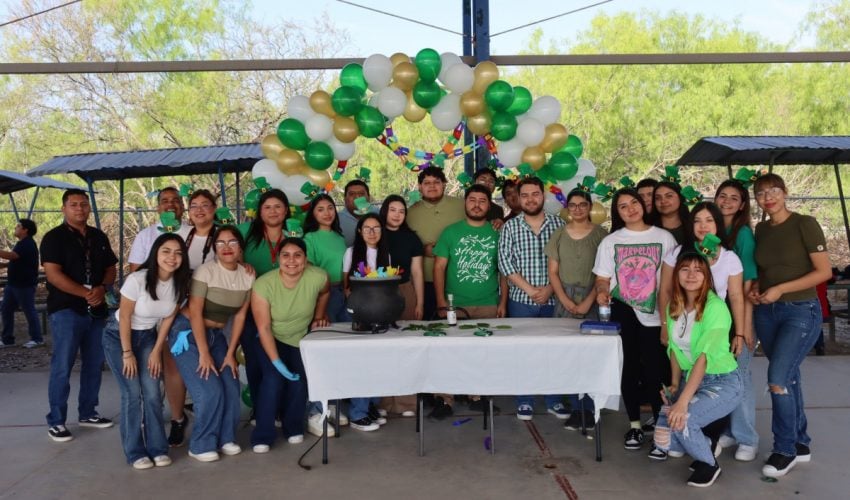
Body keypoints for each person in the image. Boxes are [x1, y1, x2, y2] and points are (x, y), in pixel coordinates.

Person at [749, 173, 831, 478]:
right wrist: (757, 287)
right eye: (761, 193)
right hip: (766, 312)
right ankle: (800, 442)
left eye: (773, 191)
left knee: (778, 379)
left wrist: (781, 289)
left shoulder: (804, 224)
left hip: (800, 311)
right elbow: (765, 271)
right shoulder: (761, 229)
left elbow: (823, 271)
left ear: (785, 192)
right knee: (789, 377)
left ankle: (784, 450)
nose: (768, 197)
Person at [656, 202, 746, 460]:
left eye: (709, 220)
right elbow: (666, 291)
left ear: (718, 224)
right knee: (669, 433)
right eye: (697, 220)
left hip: (715, 324)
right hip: (683, 320)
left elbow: (736, 296)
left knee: (711, 385)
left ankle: (709, 440)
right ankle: (692, 437)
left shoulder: (729, 257)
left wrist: (740, 333)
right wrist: (665, 326)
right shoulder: (677, 253)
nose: (703, 226)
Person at [593, 188, 677, 450]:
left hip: (657, 314)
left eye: (634, 202)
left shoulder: (664, 238)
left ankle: (661, 427)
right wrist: (602, 291)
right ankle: (635, 426)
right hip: (623, 311)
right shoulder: (611, 241)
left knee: (657, 371)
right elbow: (602, 278)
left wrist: (668, 319)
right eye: (623, 206)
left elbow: (671, 281)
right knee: (628, 368)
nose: (630, 209)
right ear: (617, 213)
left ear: (642, 204)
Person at [653, 251, 743, 488]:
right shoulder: (674, 306)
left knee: (683, 420)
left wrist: (682, 402)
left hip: (722, 381)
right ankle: (704, 446)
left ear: (707, 277)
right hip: (690, 378)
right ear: (677, 274)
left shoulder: (715, 308)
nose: (691, 275)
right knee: (663, 438)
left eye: (698, 270)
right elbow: (674, 348)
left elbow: (703, 358)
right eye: (685, 269)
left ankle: (709, 464)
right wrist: (675, 384)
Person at [102, 233, 190, 469]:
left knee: (152, 393)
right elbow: (125, 317)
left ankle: (157, 448)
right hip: (119, 337)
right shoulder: (137, 279)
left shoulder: (180, 284)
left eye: (178, 253)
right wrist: (127, 353)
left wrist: (156, 351)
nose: (172, 257)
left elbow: (168, 319)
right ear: (155, 253)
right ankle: (134, 452)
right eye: (166, 251)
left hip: (149, 336)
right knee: (132, 394)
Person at [167, 225, 254, 462]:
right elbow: (195, 312)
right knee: (208, 390)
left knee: (231, 383)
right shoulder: (205, 271)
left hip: (217, 335)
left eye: (232, 242)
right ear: (214, 248)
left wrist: (230, 353)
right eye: (220, 243)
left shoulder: (247, 275)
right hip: (187, 333)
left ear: (240, 247)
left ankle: (226, 438)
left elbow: (240, 316)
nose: (226, 247)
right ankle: (201, 444)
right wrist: (204, 354)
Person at [41, 189, 118, 442]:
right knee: (62, 365)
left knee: (94, 363)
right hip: (66, 309)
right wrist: (86, 293)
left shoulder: (98, 236)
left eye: (84, 204)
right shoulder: (53, 238)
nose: (79, 209)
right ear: (63, 208)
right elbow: (53, 275)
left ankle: (88, 412)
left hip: (97, 310)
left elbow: (111, 268)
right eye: (73, 204)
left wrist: (102, 288)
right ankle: (56, 421)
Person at [432, 184, 508, 418]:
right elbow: (439, 267)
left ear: (489, 205)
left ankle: (477, 396)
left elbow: (503, 271)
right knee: (448, 353)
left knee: (483, 354)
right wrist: (441, 301)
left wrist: (503, 302)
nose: (477, 205)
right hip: (455, 305)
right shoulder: (450, 232)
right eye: (472, 200)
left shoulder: (498, 233)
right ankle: (445, 399)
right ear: (465, 203)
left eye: (482, 201)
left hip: (488, 303)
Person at [251, 238, 330, 452]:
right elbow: (264, 328)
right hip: (269, 338)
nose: (291, 260)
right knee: (273, 379)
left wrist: (319, 315)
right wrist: (277, 363)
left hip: (299, 338)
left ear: (305, 259)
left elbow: (325, 292)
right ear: (278, 258)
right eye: (285, 255)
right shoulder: (263, 284)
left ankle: (293, 427)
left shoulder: (318, 276)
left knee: (300, 380)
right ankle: (262, 435)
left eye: (297, 255)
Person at [498, 177, 567, 421]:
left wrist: (549, 289)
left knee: (553, 352)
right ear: (518, 198)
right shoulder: (510, 227)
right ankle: (524, 400)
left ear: (543, 196)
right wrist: (529, 290)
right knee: (523, 352)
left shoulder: (559, 225)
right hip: (521, 301)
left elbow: (566, 262)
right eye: (525, 195)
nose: (530, 199)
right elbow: (505, 262)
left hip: (553, 300)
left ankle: (553, 400)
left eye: (535, 194)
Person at [545, 189, 608, 430]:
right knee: (568, 355)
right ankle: (575, 408)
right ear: (567, 208)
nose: (578, 209)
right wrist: (565, 300)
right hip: (564, 299)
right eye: (573, 205)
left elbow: (603, 274)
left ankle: (590, 409)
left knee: (590, 356)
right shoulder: (559, 234)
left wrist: (588, 302)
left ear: (590, 207)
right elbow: (553, 272)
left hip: (593, 297)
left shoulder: (601, 235)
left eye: (583, 204)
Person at [166, 188, 219, 446]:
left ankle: (212, 422)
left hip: (213, 312)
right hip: (178, 309)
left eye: (205, 205)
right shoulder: (179, 236)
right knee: (173, 367)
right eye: (194, 205)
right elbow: (166, 275)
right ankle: (177, 419)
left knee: (209, 365)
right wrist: (181, 307)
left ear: (214, 209)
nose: (199, 210)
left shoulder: (223, 237)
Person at [712, 178, 761, 462]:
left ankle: (747, 438)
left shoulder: (742, 234)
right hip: (713, 316)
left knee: (739, 375)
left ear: (742, 205)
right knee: (723, 376)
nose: (727, 201)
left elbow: (747, 286)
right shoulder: (712, 229)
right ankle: (730, 430)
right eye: (722, 195)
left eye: (734, 198)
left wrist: (745, 326)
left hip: (736, 314)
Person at [237, 188, 290, 430]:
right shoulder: (244, 232)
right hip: (251, 308)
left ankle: (282, 409)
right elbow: (226, 252)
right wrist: (240, 263)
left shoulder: (295, 232)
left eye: (278, 206)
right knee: (256, 361)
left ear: (286, 210)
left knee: (284, 358)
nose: (273, 211)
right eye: (267, 207)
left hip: (286, 308)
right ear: (259, 211)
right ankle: (261, 410)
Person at [342, 214, 391, 431]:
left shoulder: (385, 254)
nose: (372, 232)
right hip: (359, 314)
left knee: (378, 363)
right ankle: (357, 413)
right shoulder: (351, 252)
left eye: (376, 228)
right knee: (361, 363)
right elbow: (346, 287)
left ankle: (371, 405)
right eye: (367, 228)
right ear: (359, 231)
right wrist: (360, 312)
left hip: (379, 312)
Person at [378, 194, 424, 418]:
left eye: (401, 211)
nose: (397, 215)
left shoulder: (411, 238)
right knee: (382, 347)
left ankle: (407, 402)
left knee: (407, 347)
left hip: (406, 291)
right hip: (378, 293)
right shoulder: (375, 233)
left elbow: (417, 272)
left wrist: (420, 301)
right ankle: (384, 402)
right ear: (385, 211)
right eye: (393, 210)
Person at [406, 166, 465, 320]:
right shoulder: (409, 213)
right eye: (427, 183)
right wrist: (422, 249)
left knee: (459, 325)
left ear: (444, 184)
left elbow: (480, 222)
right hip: (423, 281)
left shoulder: (462, 206)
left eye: (436, 182)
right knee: (428, 325)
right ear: (420, 187)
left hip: (458, 279)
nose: (432, 186)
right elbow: (402, 243)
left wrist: (498, 221)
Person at [303, 194, 348, 322]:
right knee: (328, 330)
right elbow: (309, 269)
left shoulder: (340, 237)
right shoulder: (309, 238)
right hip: (325, 293)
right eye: (320, 209)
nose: (327, 213)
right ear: (313, 213)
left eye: (330, 208)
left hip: (344, 290)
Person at [0, 219, 43, 348]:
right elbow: (17, 260)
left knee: (29, 310)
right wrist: (4, 265)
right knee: (6, 309)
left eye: (18, 226)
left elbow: (13, 256)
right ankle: (7, 339)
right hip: (13, 284)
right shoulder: (21, 243)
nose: (15, 228)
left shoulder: (27, 243)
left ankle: (37, 339)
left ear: (25, 230)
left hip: (24, 285)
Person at [128, 187, 185, 272]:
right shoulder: (144, 236)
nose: (170, 204)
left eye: (175, 201)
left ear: (183, 207)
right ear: (158, 208)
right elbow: (135, 272)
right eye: (165, 201)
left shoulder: (194, 232)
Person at [339, 180, 375, 246]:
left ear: (369, 198)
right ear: (345, 199)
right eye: (352, 194)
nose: (357, 197)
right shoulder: (336, 220)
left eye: (361, 193)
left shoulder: (378, 213)